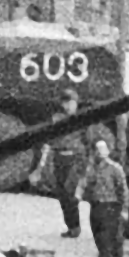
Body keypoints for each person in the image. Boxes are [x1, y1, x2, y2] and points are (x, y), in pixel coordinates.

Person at [31, 90, 97, 238]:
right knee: (61, 194)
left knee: (70, 192)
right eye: (65, 102)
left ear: (76, 103)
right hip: (59, 158)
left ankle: (76, 227)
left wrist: (88, 165)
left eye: (71, 102)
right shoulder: (56, 119)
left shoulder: (82, 120)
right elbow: (49, 142)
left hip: (75, 159)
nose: (68, 106)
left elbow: (89, 143)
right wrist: (41, 166)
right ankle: (71, 226)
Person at [76, 138, 129, 257]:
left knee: (108, 242)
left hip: (111, 207)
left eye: (103, 149)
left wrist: (124, 210)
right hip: (96, 208)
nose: (100, 153)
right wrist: (78, 195)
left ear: (107, 151)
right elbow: (83, 182)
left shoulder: (115, 169)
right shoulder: (91, 169)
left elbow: (123, 189)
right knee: (99, 239)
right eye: (97, 150)